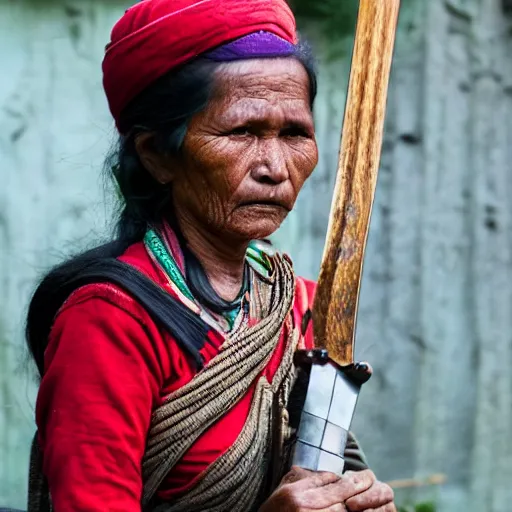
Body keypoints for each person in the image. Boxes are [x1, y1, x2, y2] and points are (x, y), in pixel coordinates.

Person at [25, 1, 396, 511]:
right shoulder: (111, 320)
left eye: (294, 134)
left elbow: (320, 472)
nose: (274, 167)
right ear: (157, 154)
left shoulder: (300, 308)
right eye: (242, 132)